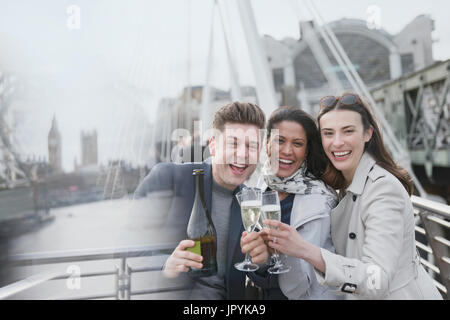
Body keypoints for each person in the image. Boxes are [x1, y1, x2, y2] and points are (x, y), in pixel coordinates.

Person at [263, 93, 442, 299]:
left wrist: (305, 250)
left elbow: (377, 280)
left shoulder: (383, 189)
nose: (337, 142)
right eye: (328, 133)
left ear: (368, 133)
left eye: (348, 131)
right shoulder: (342, 184)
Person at [134, 101, 268, 300]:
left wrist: (263, 263)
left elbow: (260, 278)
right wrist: (165, 265)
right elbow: (128, 249)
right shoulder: (167, 178)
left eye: (252, 146)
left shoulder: (251, 203)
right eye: (233, 143)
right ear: (213, 146)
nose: (242, 154)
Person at [240, 106, 340, 300]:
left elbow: (298, 287)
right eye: (280, 140)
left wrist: (285, 250)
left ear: (306, 150)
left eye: (297, 143)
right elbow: (261, 268)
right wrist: (259, 259)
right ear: (267, 144)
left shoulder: (320, 201)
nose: (287, 151)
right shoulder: (262, 184)